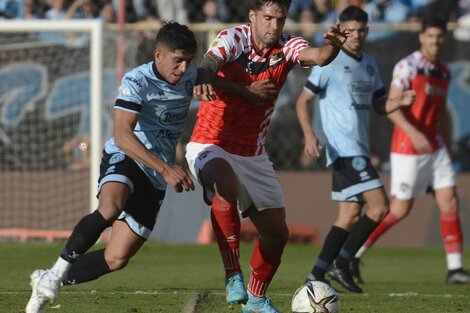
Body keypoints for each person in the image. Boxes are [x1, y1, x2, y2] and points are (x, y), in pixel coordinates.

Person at [25, 21, 214, 313]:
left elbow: (213, 78)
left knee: (116, 258)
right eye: (177, 60)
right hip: (128, 155)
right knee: (110, 207)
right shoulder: (136, 81)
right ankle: (55, 273)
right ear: (158, 55)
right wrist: (167, 169)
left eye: (188, 61)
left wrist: (243, 89)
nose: (183, 68)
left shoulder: (191, 75)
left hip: (156, 174)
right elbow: (124, 136)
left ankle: (49, 278)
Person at [186, 1, 349, 312]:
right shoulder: (234, 38)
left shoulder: (288, 45)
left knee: (276, 234)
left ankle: (256, 298)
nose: (274, 25)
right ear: (252, 17)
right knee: (224, 183)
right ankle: (232, 274)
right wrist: (219, 83)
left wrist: (333, 47)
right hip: (210, 142)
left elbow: (317, 56)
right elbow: (205, 66)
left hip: (253, 152)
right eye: (268, 18)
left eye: (280, 18)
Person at [296, 5, 416, 294]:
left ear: (367, 31)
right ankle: (343, 261)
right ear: (341, 30)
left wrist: (398, 102)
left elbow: (378, 105)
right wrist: (309, 136)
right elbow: (303, 101)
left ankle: (316, 274)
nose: (357, 36)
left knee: (349, 215)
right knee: (380, 206)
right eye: (351, 31)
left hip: (358, 148)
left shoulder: (370, 63)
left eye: (362, 31)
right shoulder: (329, 63)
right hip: (344, 149)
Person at [352, 16, 470, 285]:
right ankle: (354, 252)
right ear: (422, 37)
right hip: (408, 146)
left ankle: (455, 269)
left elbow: (441, 114)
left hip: (435, 146)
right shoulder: (408, 66)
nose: (435, 41)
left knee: (449, 200)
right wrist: (414, 132)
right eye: (430, 36)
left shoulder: (443, 70)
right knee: (400, 209)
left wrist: (448, 146)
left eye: (439, 37)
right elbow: (392, 106)